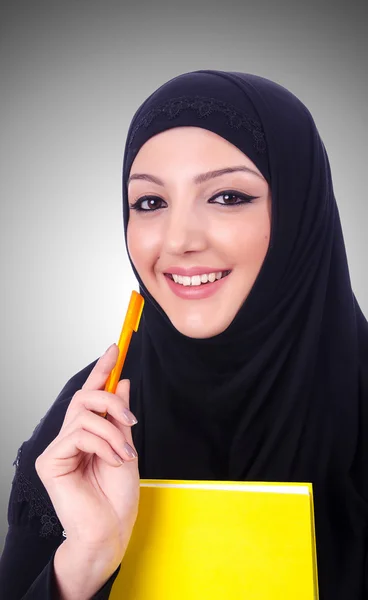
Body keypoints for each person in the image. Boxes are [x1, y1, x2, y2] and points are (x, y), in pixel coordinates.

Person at [0, 69, 367, 599]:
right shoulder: (93, 418)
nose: (178, 241)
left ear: (298, 212)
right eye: (150, 203)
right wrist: (82, 563)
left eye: (226, 197)